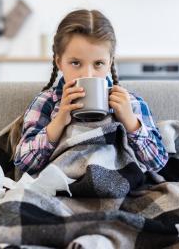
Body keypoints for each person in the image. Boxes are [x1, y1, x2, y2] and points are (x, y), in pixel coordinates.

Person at [10, 9, 168, 175]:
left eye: (98, 63)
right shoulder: (46, 102)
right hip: (64, 188)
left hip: (118, 185)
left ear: (110, 63)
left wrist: (130, 122)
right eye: (76, 63)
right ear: (59, 62)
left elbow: (157, 162)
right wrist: (58, 123)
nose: (88, 74)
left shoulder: (130, 103)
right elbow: (24, 164)